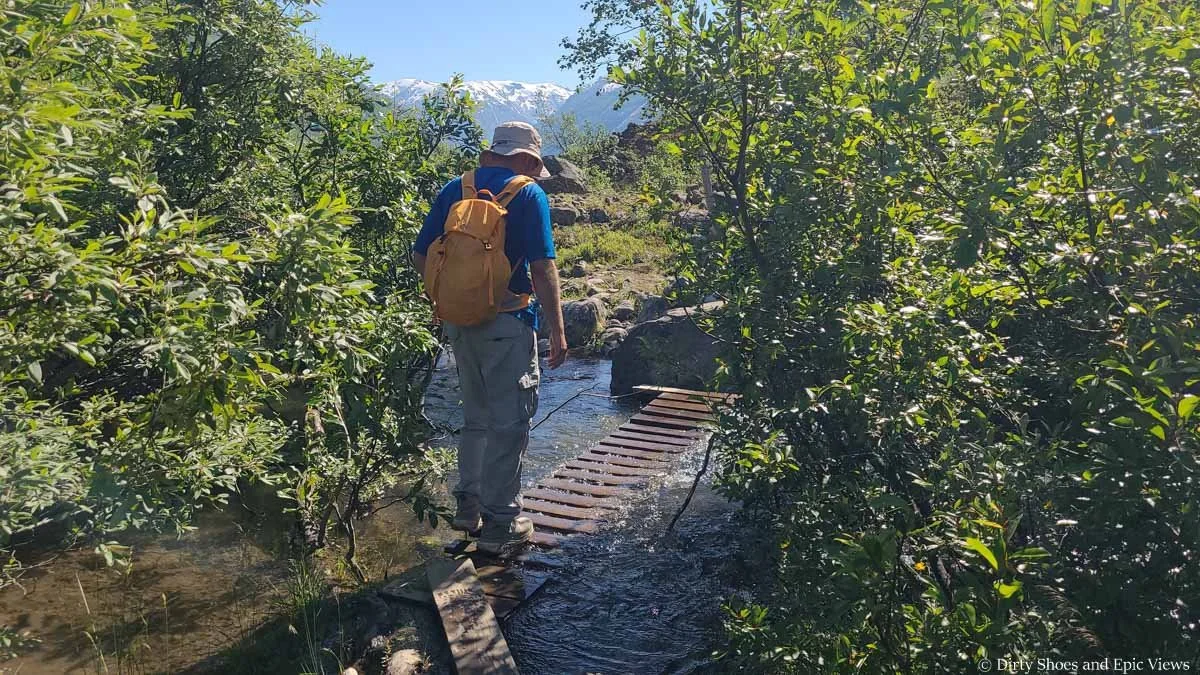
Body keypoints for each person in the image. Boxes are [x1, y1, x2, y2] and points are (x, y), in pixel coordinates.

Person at [411, 121, 568, 554]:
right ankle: (502, 523)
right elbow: (542, 267)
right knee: (511, 422)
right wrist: (557, 329)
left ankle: (468, 506)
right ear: (526, 159)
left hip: (459, 322)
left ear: (493, 152)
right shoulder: (528, 194)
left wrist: (446, 298)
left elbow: (420, 252)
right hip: (509, 323)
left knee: (476, 417)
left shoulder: (455, 188)